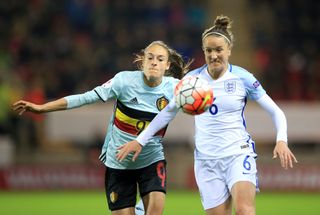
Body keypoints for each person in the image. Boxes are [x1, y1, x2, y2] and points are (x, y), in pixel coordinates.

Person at [116, 15, 298, 215]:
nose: (214, 55)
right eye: (209, 50)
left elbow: (275, 111)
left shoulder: (242, 77)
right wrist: (140, 141)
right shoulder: (192, 80)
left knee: (244, 210)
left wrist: (281, 140)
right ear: (203, 51)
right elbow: (167, 113)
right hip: (206, 160)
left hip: (237, 153)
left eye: (219, 50)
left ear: (229, 50)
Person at [12, 40, 191, 215]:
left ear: (167, 66)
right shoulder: (124, 81)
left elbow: (205, 100)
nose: (154, 62)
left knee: (156, 209)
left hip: (151, 159)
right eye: (150, 57)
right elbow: (85, 98)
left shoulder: (175, 88)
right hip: (119, 162)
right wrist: (43, 107)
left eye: (160, 59)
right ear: (142, 61)